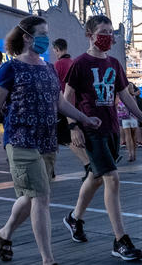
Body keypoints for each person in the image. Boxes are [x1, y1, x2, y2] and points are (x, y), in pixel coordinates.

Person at [0, 16, 101, 264]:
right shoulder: (9, 68)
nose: (46, 38)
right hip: (21, 140)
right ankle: (48, 260)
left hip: (47, 141)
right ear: (27, 37)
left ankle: (4, 234)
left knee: (31, 196)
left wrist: (84, 119)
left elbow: (60, 103)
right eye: (42, 33)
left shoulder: (48, 68)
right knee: (42, 198)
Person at [62, 15, 142, 261]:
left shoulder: (114, 64)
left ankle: (74, 218)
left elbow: (125, 96)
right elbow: (67, 96)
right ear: (89, 34)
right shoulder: (80, 63)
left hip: (112, 129)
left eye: (111, 32)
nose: (108, 36)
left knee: (96, 176)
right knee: (112, 178)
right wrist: (74, 126)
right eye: (103, 31)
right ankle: (120, 240)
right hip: (90, 128)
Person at [51, 38, 92, 180]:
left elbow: (53, 87)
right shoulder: (74, 63)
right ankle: (50, 169)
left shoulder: (58, 65)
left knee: (68, 139)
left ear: (56, 50)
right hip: (75, 107)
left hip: (62, 108)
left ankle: (88, 164)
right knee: (54, 139)